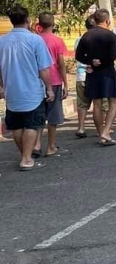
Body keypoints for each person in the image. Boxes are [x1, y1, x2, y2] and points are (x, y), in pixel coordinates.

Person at [0, 5, 54, 170]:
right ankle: (26, 158)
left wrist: (1, 86)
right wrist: (49, 88)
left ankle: (24, 154)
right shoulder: (35, 40)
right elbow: (44, 69)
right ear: (28, 20)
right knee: (32, 124)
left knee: (16, 125)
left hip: (11, 89)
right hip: (32, 89)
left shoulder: (2, 41)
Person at [75, 9, 116, 146]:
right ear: (107, 21)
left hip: (93, 73)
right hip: (107, 71)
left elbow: (78, 55)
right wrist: (102, 62)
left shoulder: (86, 35)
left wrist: (91, 61)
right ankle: (106, 131)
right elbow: (112, 56)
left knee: (97, 103)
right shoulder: (111, 36)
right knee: (114, 101)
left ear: (95, 20)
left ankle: (101, 133)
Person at [37, 11, 68, 156]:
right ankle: (51, 146)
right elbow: (61, 64)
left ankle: (36, 145)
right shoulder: (57, 41)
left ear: (39, 24)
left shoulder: (35, 39)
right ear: (53, 24)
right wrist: (65, 84)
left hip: (37, 81)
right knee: (53, 116)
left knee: (38, 114)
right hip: (54, 81)